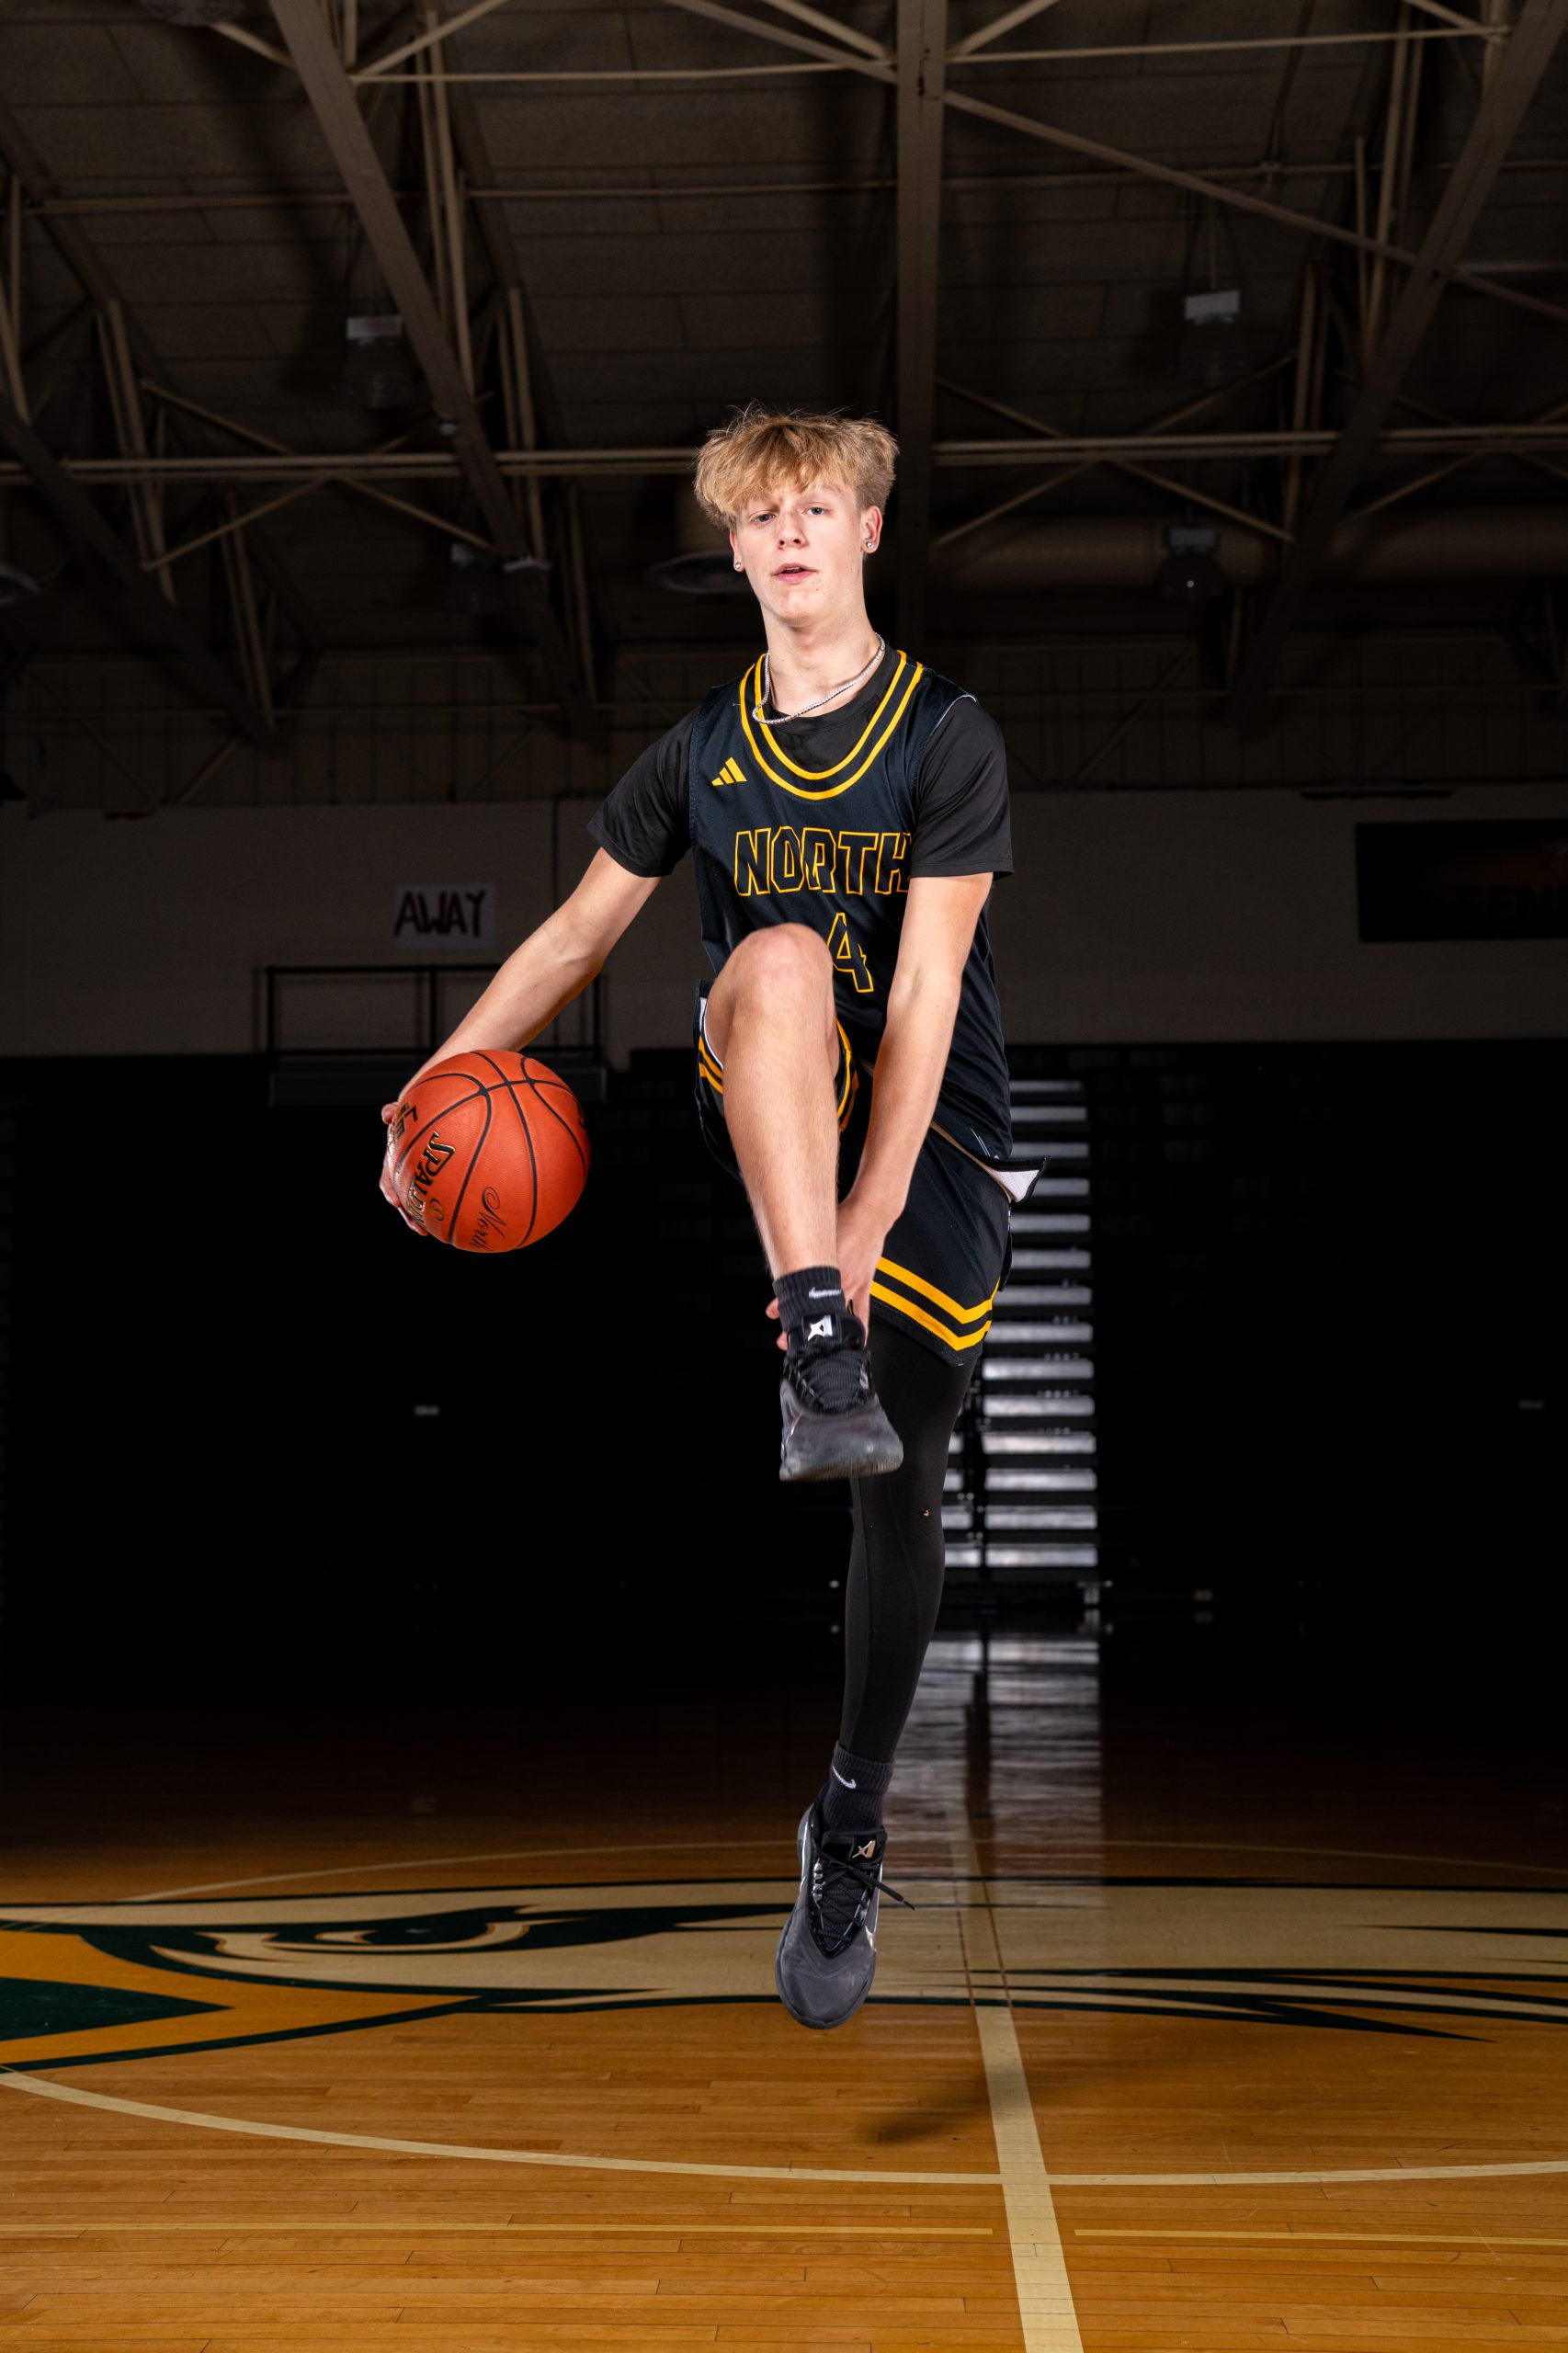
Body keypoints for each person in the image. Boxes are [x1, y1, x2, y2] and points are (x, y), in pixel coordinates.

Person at [381, 406, 1031, 2029]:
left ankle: (849, 1818)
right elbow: (573, 938)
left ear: (867, 530)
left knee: (901, 1489)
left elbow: (930, 994)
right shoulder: (697, 752)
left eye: (819, 507)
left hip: (935, 1130)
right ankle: (814, 1339)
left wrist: (873, 1216)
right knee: (783, 955)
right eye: (762, 514)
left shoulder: (947, 733)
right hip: (770, 1079)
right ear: (733, 549)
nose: (791, 532)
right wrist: (426, 1093)